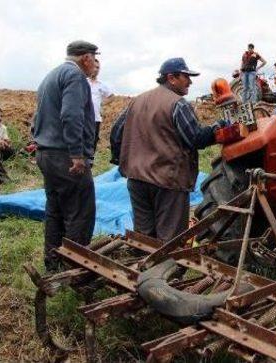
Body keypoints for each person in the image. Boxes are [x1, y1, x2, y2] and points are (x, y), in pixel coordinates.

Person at [114, 58, 226, 242]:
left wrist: (124, 161)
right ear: (171, 78)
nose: (190, 82)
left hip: (136, 179)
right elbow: (195, 138)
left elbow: (116, 133)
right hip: (167, 181)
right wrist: (218, 128)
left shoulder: (137, 101)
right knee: (170, 241)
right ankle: (165, 269)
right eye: (186, 77)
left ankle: (142, 268)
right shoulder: (178, 104)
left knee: (144, 238)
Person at [32, 40, 98, 272]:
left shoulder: (51, 76)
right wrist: (77, 155)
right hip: (65, 157)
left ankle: (53, 265)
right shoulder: (74, 76)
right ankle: (75, 271)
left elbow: (38, 115)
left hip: (46, 153)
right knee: (80, 212)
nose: (95, 65)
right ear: (86, 58)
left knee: (55, 210)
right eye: (94, 59)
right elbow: (71, 116)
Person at [87, 58, 113, 153]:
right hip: (83, 118)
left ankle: (89, 164)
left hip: (96, 118)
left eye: (98, 67)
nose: (96, 69)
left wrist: (102, 104)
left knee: (93, 142)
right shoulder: (83, 82)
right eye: (94, 67)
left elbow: (111, 97)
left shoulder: (102, 85)